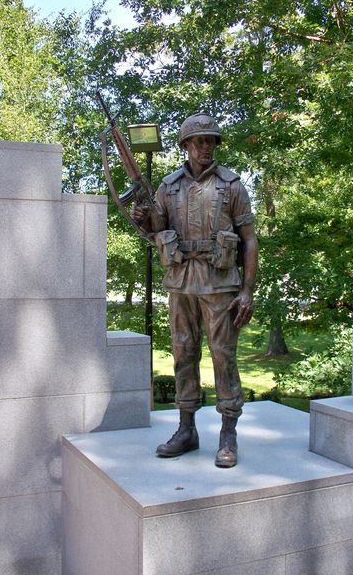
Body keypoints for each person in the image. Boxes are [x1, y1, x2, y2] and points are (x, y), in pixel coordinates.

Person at [133, 112, 258, 468]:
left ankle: (228, 433)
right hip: (181, 283)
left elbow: (249, 241)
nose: (206, 147)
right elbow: (156, 227)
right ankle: (186, 428)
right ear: (186, 145)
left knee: (223, 354)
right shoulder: (169, 186)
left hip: (220, 285)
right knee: (183, 353)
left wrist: (247, 290)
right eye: (199, 141)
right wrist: (147, 221)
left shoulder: (232, 185)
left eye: (211, 141)